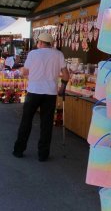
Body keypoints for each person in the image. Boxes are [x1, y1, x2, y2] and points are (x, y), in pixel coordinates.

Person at [13, 32, 70, 161]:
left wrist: (23, 71)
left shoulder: (33, 54)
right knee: (46, 124)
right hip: (50, 93)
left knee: (26, 122)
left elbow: (25, 72)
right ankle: (43, 155)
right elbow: (66, 75)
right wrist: (62, 87)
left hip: (34, 92)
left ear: (41, 43)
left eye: (38, 42)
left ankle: (18, 150)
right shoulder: (58, 54)